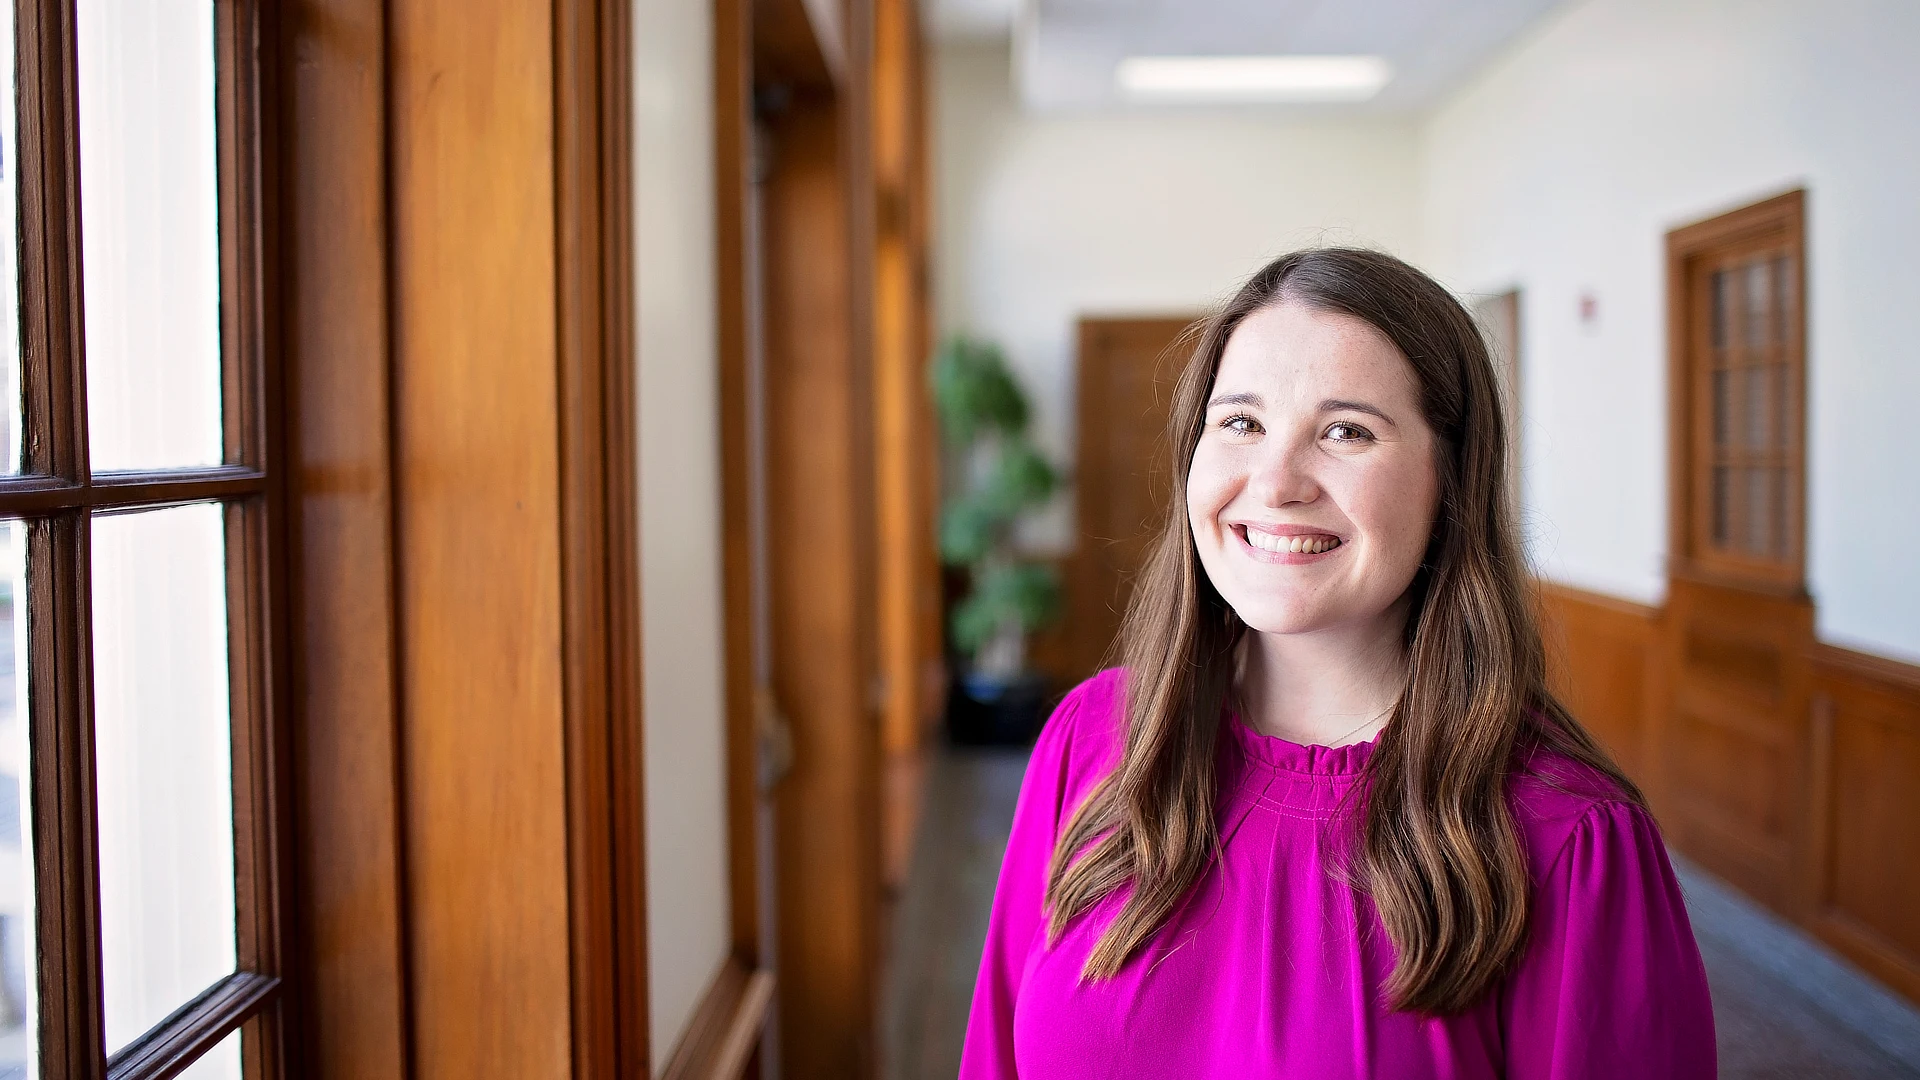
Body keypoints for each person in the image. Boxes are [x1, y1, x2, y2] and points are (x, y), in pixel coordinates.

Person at [958, 248, 1715, 1079]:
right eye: (1241, 422)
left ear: (1450, 481)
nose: (1276, 482)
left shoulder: (1568, 839)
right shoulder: (1093, 738)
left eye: (1346, 431)